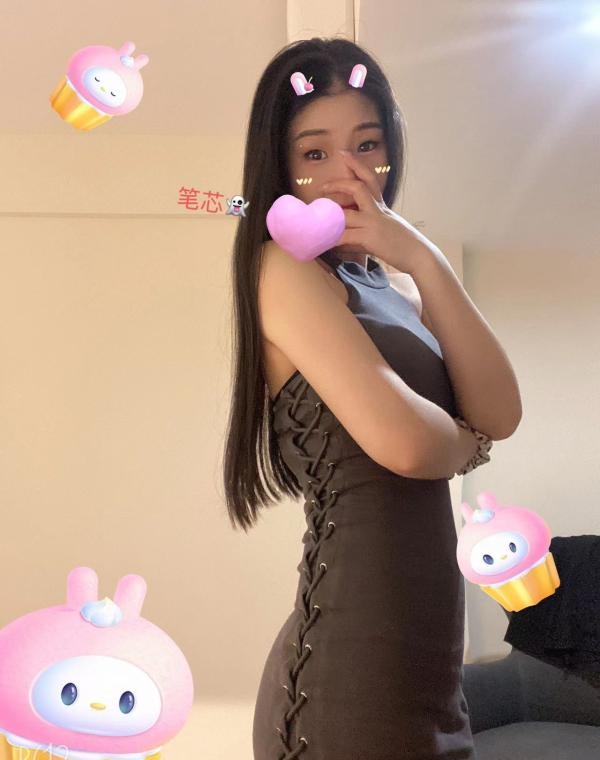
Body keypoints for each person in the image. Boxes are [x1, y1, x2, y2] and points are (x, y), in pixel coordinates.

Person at [222, 37, 522, 760]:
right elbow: (409, 444)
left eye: (367, 144)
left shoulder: (393, 286)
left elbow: (501, 411)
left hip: (424, 654)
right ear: (281, 166)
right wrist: (466, 441)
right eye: (314, 152)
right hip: (351, 662)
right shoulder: (284, 269)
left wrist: (422, 256)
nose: (348, 172)